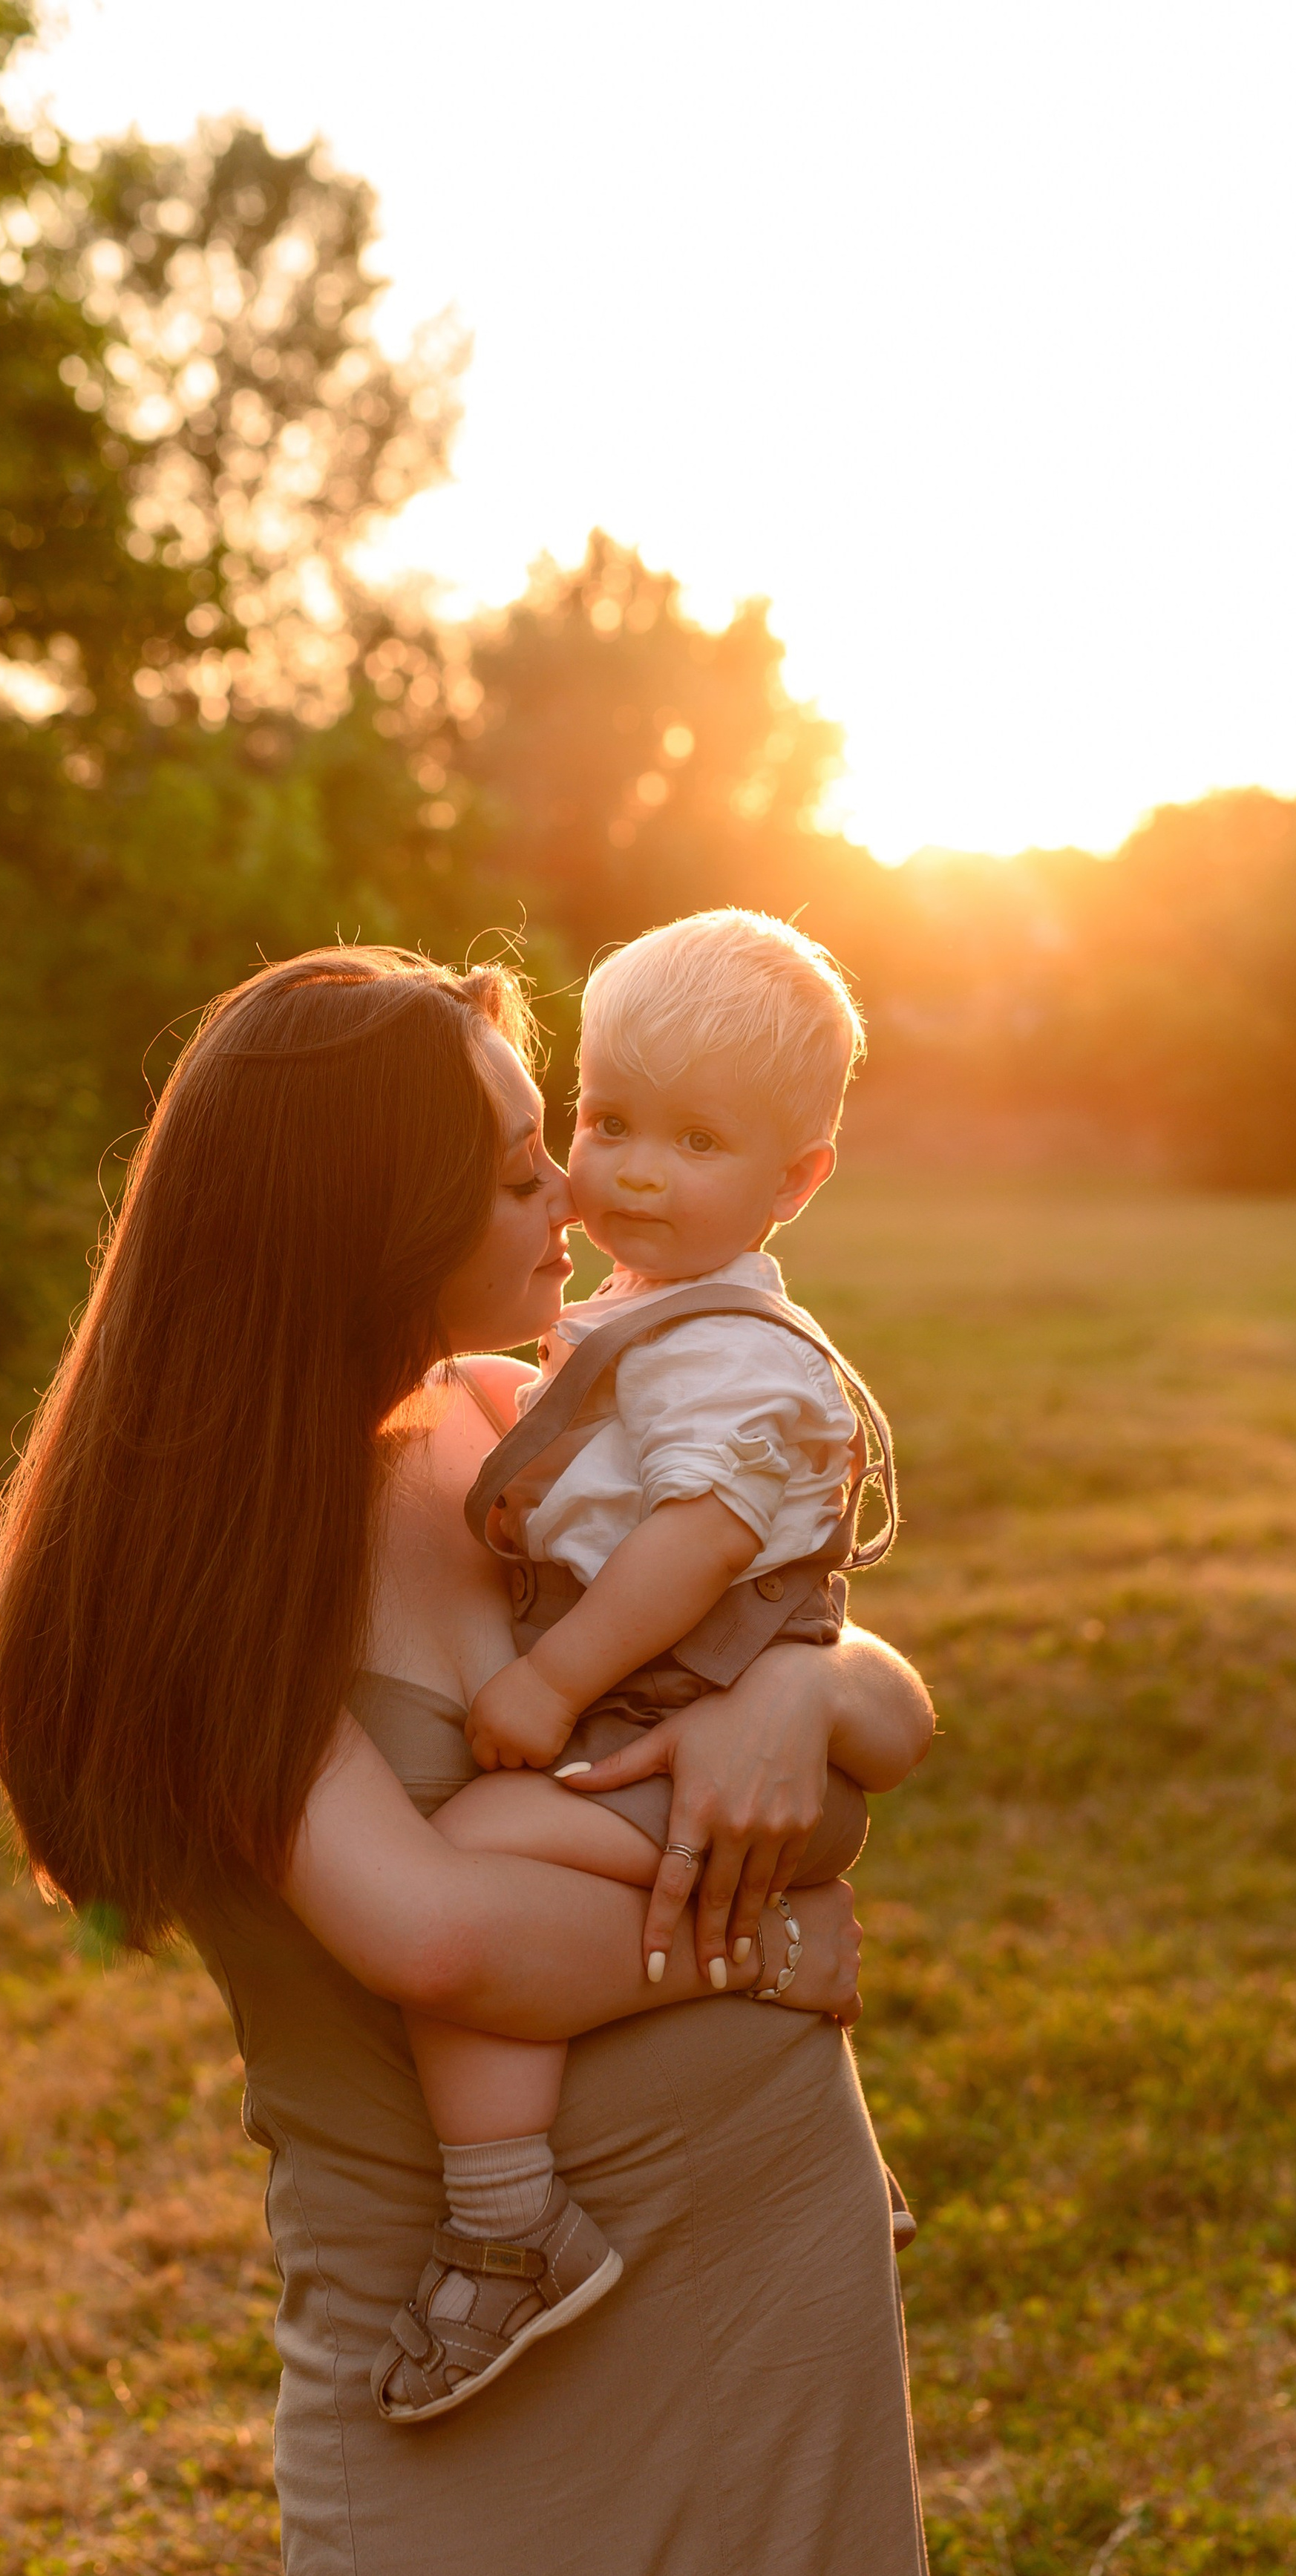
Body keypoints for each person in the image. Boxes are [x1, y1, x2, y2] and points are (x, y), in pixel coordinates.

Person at [0, 947, 959, 2576]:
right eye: (520, 1170)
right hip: (468, 2320)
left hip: (757, 2244)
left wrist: (793, 1688)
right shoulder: (201, 1564)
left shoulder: (528, 1423)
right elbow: (436, 1937)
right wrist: (780, 1943)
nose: (570, 1195)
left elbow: (871, 1686)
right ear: (365, 1223)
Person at [379, 909, 906, 2424]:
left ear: (797, 1181)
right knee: (503, 1850)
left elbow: (697, 1537)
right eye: (609, 1122)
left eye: (698, 1141)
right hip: (681, 1717)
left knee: (477, 1840)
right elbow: (583, 1447)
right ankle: (805, 2129)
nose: (634, 1173)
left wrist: (551, 1683)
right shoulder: (638, 1315)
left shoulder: (732, 1352)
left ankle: (506, 2218)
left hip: (690, 1718)